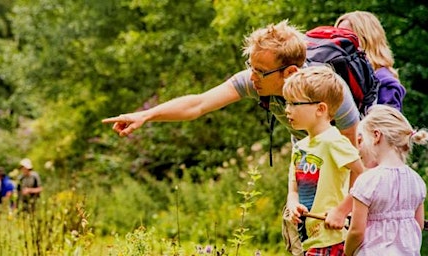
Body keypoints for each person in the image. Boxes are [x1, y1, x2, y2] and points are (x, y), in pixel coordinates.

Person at [102, 20, 361, 255]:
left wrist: (344, 209)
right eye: (251, 67)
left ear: (289, 72)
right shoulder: (257, 81)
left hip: (344, 173)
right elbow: (199, 104)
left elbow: (359, 161)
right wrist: (146, 116)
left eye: (261, 71)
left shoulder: (331, 93)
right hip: (306, 166)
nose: (252, 77)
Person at [283, 66, 364, 255]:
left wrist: (342, 210)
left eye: (294, 104)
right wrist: (292, 204)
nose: (287, 110)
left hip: (332, 239)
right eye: (286, 103)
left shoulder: (333, 141)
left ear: (320, 109)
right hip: (308, 239)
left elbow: (364, 176)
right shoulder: (300, 146)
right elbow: (293, 188)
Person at [344, 105, 427, 255]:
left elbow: (356, 232)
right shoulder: (417, 181)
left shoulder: (367, 181)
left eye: (360, 141)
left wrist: (348, 251)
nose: (358, 149)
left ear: (376, 136)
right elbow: (418, 224)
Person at [335, 11, 406, 111]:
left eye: (347, 37)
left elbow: (386, 125)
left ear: (367, 39)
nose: (340, 42)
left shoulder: (385, 83)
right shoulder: (345, 78)